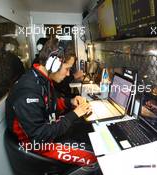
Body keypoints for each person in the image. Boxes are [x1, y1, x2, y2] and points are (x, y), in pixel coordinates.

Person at [5, 38, 98, 173]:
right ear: (53, 64)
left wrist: (70, 102)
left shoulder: (41, 78)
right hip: (38, 144)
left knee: (86, 129)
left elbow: (51, 104)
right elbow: (40, 135)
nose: (68, 74)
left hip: (45, 132)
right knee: (95, 156)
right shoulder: (28, 91)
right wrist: (75, 114)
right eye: (67, 68)